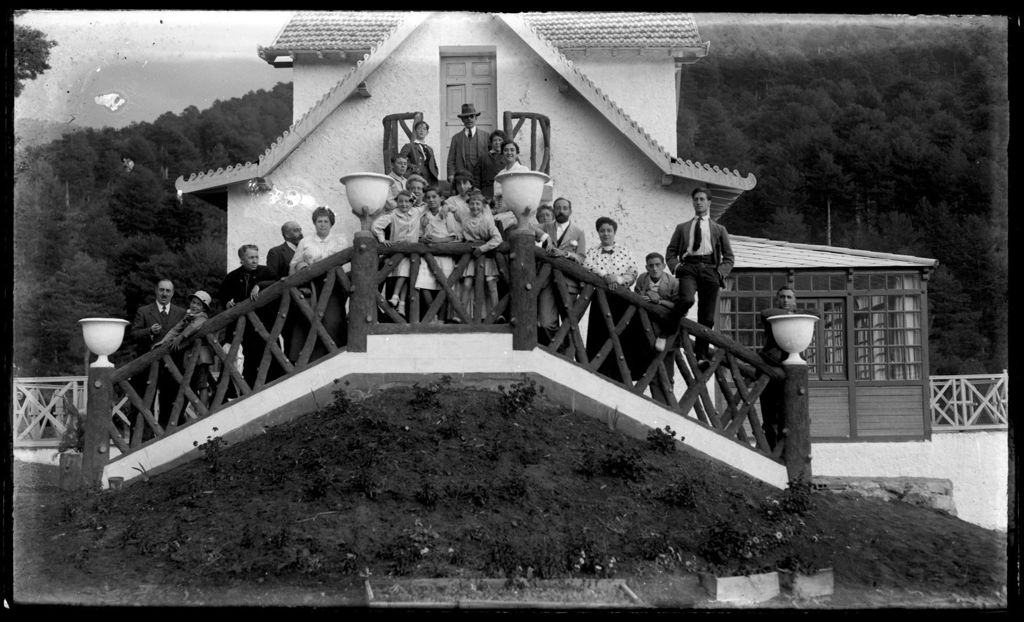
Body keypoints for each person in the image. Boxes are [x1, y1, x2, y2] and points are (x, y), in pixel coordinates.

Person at [662, 187, 735, 362]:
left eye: (702, 199)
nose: (699, 202)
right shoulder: (682, 228)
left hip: (710, 269)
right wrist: (677, 267)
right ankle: (668, 329)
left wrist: (720, 273)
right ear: (693, 202)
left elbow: (729, 257)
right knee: (687, 300)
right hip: (689, 268)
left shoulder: (719, 229)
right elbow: (670, 252)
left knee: (707, 317)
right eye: (696, 199)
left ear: (709, 202)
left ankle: (701, 355)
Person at [583, 217, 638, 383]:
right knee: (600, 334)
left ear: (614, 233)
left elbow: (633, 271)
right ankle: (599, 373)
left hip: (621, 299)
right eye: (602, 230)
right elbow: (587, 266)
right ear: (598, 233)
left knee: (621, 334)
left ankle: (619, 376)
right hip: (601, 299)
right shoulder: (592, 252)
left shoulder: (625, 251)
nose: (605, 234)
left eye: (609, 231)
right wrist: (605, 276)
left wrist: (618, 280)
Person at [291, 206, 349, 360]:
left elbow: (338, 258)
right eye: (319, 221)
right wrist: (301, 265)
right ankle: (313, 359)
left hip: (334, 286)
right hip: (312, 286)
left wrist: (315, 262)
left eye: (326, 221)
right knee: (311, 321)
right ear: (314, 223)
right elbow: (294, 263)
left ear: (331, 224)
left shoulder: (339, 240)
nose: (322, 224)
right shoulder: (305, 241)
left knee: (332, 321)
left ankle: (334, 356)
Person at [128, 279, 186, 435]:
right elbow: (133, 334)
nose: (164, 293)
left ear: (173, 293)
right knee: (144, 404)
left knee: (170, 404)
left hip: (171, 367)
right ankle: (142, 442)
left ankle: (168, 440)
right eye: (162, 290)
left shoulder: (181, 313)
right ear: (156, 291)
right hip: (146, 367)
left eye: (168, 291)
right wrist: (149, 331)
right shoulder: (144, 311)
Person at [219, 245, 278, 389]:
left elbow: (278, 282)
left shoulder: (266, 272)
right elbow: (223, 295)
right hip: (242, 330)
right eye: (251, 257)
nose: (254, 260)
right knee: (247, 365)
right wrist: (228, 303)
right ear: (242, 259)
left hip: (263, 326)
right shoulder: (232, 277)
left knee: (269, 361)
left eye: (256, 257)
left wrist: (260, 285)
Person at [155, 290, 215, 413]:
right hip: (190, 355)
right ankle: (195, 409)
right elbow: (176, 329)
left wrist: (181, 337)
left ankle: (202, 411)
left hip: (202, 354)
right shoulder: (188, 316)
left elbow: (193, 327)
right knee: (192, 383)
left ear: (203, 308)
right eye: (193, 302)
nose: (194, 306)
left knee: (202, 383)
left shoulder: (202, 317)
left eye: (198, 304)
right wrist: (164, 341)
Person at [537, 197, 587, 347]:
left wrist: (565, 254)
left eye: (565, 208)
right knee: (545, 322)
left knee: (569, 323)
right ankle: (556, 349)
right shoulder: (545, 227)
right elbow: (527, 225)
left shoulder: (578, 232)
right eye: (558, 208)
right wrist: (545, 237)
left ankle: (566, 356)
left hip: (568, 283)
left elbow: (581, 258)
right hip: (546, 282)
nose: (561, 211)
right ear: (554, 210)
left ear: (570, 211)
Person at [633, 253, 680, 403]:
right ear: (646, 267)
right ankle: (657, 406)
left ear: (664, 266)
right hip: (647, 332)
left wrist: (659, 301)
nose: (654, 269)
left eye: (657, 265)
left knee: (667, 374)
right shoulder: (642, 279)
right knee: (651, 373)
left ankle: (669, 408)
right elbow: (636, 298)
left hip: (667, 333)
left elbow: (680, 309)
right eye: (651, 265)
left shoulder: (673, 283)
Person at [759, 286, 798, 450]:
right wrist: (790, 315)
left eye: (789, 297)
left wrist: (794, 315)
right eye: (782, 297)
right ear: (777, 300)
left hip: (792, 371)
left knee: (788, 415)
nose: (785, 300)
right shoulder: (771, 315)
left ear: (795, 301)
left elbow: (816, 313)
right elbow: (765, 313)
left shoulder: (801, 318)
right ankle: (770, 452)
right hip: (771, 368)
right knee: (769, 415)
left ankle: (785, 453)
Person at [373, 190, 423, 317]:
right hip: (398, 252)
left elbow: (427, 205)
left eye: (407, 201)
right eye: (401, 201)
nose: (404, 204)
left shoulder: (416, 212)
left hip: (412, 252)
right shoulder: (393, 215)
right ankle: (397, 299)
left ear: (412, 203)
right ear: (397, 202)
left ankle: (399, 301)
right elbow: (376, 226)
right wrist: (383, 240)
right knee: (404, 272)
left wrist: (415, 199)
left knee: (407, 276)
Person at [416, 187, 461, 323]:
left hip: (445, 255)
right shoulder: (424, 216)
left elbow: (456, 236)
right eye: (428, 197)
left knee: (445, 286)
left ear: (441, 198)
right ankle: (433, 315)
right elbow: (418, 235)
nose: (431, 200)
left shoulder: (447, 214)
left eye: (434, 196)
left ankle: (440, 319)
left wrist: (440, 240)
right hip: (429, 256)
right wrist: (423, 239)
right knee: (424, 284)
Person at [459, 192, 503, 322]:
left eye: (478, 204)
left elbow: (497, 238)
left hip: (487, 257)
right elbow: (462, 237)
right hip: (471, 258)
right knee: (467, 284)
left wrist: (483, 248)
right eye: (472, 203)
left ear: (483, 206)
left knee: (491, 284)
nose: (474, 206)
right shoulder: (465, 221)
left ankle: (497, 314)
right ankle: (461, 314)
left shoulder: (487, 221)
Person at [446, 103, 491, 190]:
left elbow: (490, 157)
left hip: (480, 177)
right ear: (462, 120)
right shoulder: (456, 138)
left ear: (476, 118)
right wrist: (451, 174)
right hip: (462, 178)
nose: (469, 119)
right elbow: (451, 159)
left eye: (471, 116)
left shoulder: (486, 136)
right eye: (466, 117)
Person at [492, 140, 530, 213]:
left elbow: (526, 195)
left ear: (517, 154)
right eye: (506, 150)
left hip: (519, 212)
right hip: (501, 213)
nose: (509, 153)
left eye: (512, 150)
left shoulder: (523, 170)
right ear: (502, 154)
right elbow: (496, 198)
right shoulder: (499, 176)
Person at [399, 120, 439, 187]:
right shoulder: (409, 146)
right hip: (416, 176)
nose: (421, 131)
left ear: (427, 132)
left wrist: (435, 172)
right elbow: (401, 160)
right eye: (419, 128)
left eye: (424, 129)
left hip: (430, 178)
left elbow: (434, 164)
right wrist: (413, 168)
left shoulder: (430, 149)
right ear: (415, 131)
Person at [479, 129, 508, 200]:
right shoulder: (484, 157)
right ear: (491, 143)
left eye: (500, 140)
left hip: (504, 189)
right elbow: (477, 176)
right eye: (495, 140)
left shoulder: (508, 156)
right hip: (487, 190)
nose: (497, 142)